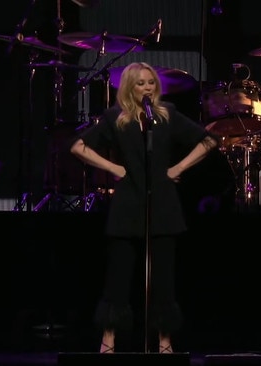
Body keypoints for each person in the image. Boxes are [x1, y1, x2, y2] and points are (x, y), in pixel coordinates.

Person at [70, 62, 218, 353]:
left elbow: (208, 139)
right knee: (118, 276)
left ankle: (164, 342)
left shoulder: (167, 115)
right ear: (129, 87)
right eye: (141, 83)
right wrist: (113, 166)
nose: (148, 87)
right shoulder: (116, 118)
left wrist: (178, 167)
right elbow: (78, 146)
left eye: (151, 82)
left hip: (162, 203)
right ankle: (108, 340)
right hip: (128, 202)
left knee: (163, 278)